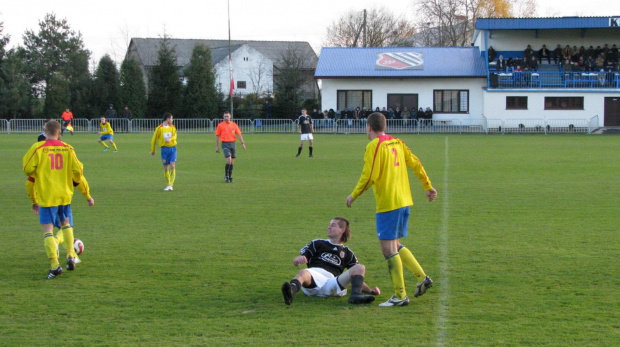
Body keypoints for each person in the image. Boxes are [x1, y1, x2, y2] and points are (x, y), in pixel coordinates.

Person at [346, 112, 438, 307]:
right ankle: (422, 278)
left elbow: (369, 175)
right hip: (404, 201)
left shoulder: (373, 146)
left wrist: (353, 195)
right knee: (395, 246)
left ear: (368, 127)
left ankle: (400, 295)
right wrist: (427, 186)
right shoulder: (398, 142)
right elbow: (416, 163)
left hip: (389, 203)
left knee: (388, 249)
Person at [23, 120, 94, 279]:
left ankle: (55, 265)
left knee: (47, 230)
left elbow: (27, 168)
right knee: (66, 223)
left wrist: (40, 172)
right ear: (59, 132)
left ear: (45, 131)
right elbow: (79, 170)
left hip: (47, 195)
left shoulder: (38, 148)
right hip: (64, 194)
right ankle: (70, 255)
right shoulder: (68, 148)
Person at [281, 217, 380, 305]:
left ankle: (356, 296)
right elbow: (296, 261)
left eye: (333, 225)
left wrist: (370, 290)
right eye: (329, 225)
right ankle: (291, 291)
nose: (329, 227)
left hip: (332, 283)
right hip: (313, 280)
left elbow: (357, 277)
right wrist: (297, 260)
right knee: (303, 272)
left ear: (342, 229)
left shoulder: (347, 253)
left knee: (360, 267)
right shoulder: (318, 243)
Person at [215, 111, 246, 183]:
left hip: (233, 144)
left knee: (232, 161)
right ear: (223, 117)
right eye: (225, 116)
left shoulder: (234, 125)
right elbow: (217, 136)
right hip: (225, 144)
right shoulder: (220, 125)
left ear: (230, 117)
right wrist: (217, 146)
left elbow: (239, 134)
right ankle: (226, 176)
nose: (226, 118)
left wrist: (242, 143)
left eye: (227, 116)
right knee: (228, 160)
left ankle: (229, 177)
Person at [150, 113, 177, 191]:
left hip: (172, 148)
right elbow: (154, 139)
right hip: (164, 150)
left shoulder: (173, 127)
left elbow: (175, 136)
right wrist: (153, 150)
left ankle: (170, 184)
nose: (172, 120)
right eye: (171, 118)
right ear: (167, 119)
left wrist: (170, 139)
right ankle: (169, 184)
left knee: (172, 165)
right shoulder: (159, 128)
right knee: (166, 168)